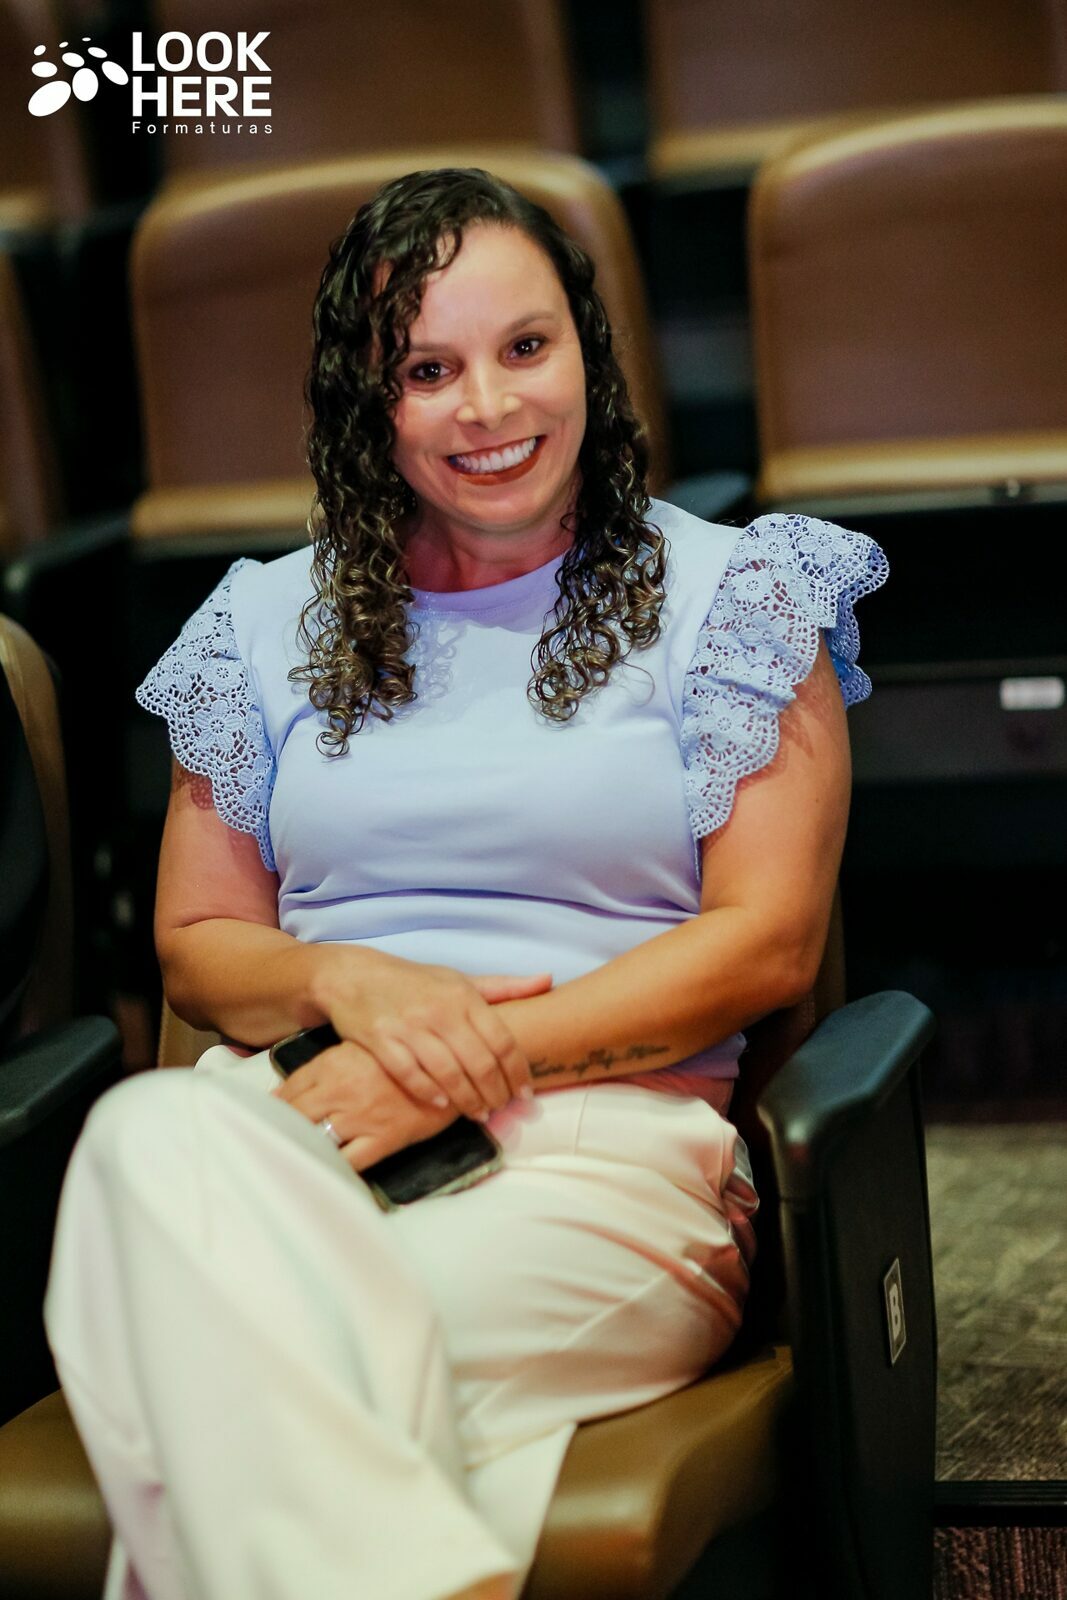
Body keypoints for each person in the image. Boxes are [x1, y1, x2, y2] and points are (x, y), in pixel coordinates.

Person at [45, 168, 888, 1600]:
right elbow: (196, 945)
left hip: (602, 1148)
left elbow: (765, 947)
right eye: (427, 370)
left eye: (525, 347)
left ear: (587, 351)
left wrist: (453, 1063)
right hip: (298, 1117)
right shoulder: (260, 621)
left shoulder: (734, 596)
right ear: (363, 402)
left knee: (225, 1355)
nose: (489, 407)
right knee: (140, 1136)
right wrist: (344, 980)